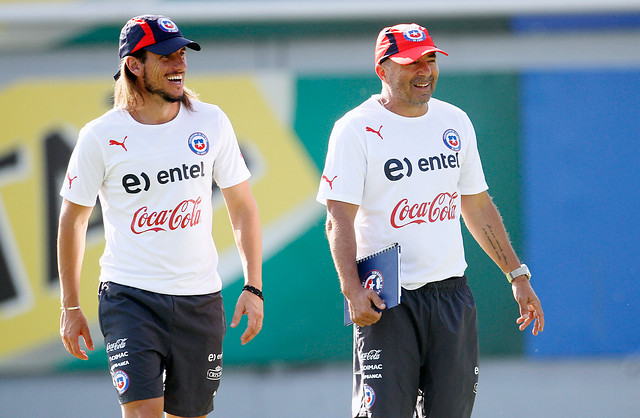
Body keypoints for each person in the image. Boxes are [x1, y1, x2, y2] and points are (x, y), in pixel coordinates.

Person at [317, 23, 544, 418]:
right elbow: (339, 217)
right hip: (388, 302)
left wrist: (517, 276)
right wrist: (352, 290)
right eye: (410, 63)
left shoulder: (454, 121)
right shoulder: (354, 129)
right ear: (382, 70)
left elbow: (476, 205)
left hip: (451, 296)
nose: (424, 70)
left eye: (430, 59)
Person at [57, 15, 264, 418]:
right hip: (129, 297)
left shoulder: (211, 120)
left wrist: (253, 288)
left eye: (182, 53)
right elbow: (73, 220)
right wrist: (70, 307)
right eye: (166, 55)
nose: (179, 64)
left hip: (200, 299)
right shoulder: (99, 136)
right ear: (134, 65)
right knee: (143, 413)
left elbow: (243, 207)